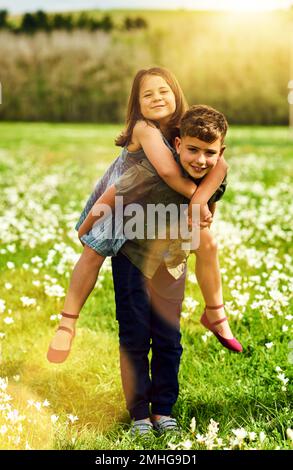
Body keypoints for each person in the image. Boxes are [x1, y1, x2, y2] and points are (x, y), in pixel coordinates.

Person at [47, 68, 227, 363]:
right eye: (148, 94)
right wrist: (198, 200)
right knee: (94, 253)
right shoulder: (144, 128)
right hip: (124, 203)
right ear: (137, 103)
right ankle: (67, 323)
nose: (156, 98)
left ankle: (215, 312)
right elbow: (168, 171)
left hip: (163, 209)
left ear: (176, 94)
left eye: (163, 91)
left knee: (208, 245)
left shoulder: (187, 129)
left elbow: (221, 165)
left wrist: (201, 200)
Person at [84, 105, 243, 435]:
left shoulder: (214, 179)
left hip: (172, 263)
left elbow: (208, 204)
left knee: (170, 338)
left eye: (209, 153)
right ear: (177, 143)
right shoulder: (152, 169)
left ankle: (164, 410)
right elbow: (114, 192)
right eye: (193, 150)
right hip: (132, 258)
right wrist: (87, 226)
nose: (200, 160)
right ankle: (140, 413)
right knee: (135, 335)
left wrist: (200, 207)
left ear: (220, 152)